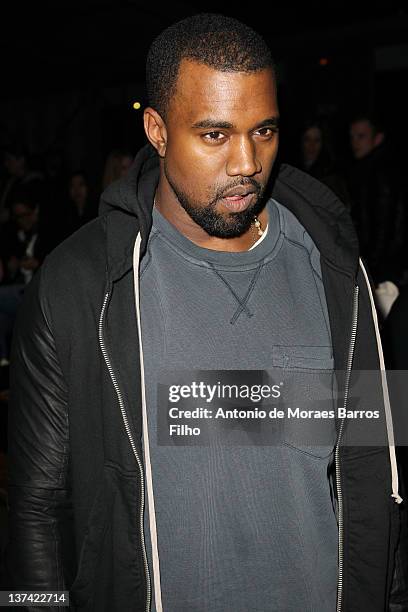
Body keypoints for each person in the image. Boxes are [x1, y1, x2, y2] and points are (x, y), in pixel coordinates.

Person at [5, 13, 406, 612]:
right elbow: (36, 507)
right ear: (157, 131)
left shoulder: (339, 273)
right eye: (215, 135)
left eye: (264, 131)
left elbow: (379, 475)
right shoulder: (78, 284)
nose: (247, 162)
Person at [346, 115, 405, 285]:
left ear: (377, 139)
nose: (355, 142)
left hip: (382, 269)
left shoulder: (379, 173)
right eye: (352, 137)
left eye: (361, 136)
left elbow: (384, 226)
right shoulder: (366, 170)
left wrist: (372, 266)